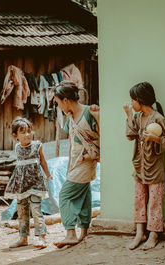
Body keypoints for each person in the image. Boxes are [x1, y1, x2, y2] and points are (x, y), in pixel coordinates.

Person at [123, 82, 165, 250]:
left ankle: (153, 234)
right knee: (139, 200)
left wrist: (155, 139)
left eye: (132, 101)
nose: (131, 103)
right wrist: (129, 115)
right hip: (139, 167)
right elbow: (130, 135)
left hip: (155, 168)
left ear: (140, 100)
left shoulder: (158, 118)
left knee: (155, 202)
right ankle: (139, 233)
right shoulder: (136, 117)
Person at [52, 81, 100, 248]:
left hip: (86, 162)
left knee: (65, 196)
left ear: (66, 100)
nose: (59, 106)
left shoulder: (90, 112)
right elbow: (72, 142)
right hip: (75, 162)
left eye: (58, 102)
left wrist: (99, 118)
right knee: (84, 194)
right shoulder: (70, 118)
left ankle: (70, 233)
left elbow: (102, 135)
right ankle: (84, 232)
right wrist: (69, 165)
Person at [4, 117, 52, 249]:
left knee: (36, 209)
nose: (27, 135)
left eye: (29, 131)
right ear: (15, 136)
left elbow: (42, 161)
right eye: (23, 132)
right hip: (21, 185)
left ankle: (41, 237)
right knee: (22, 211)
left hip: (36, 183)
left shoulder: (37, 146)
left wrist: (48, 174)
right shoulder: (17, 147)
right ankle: (23, 237)